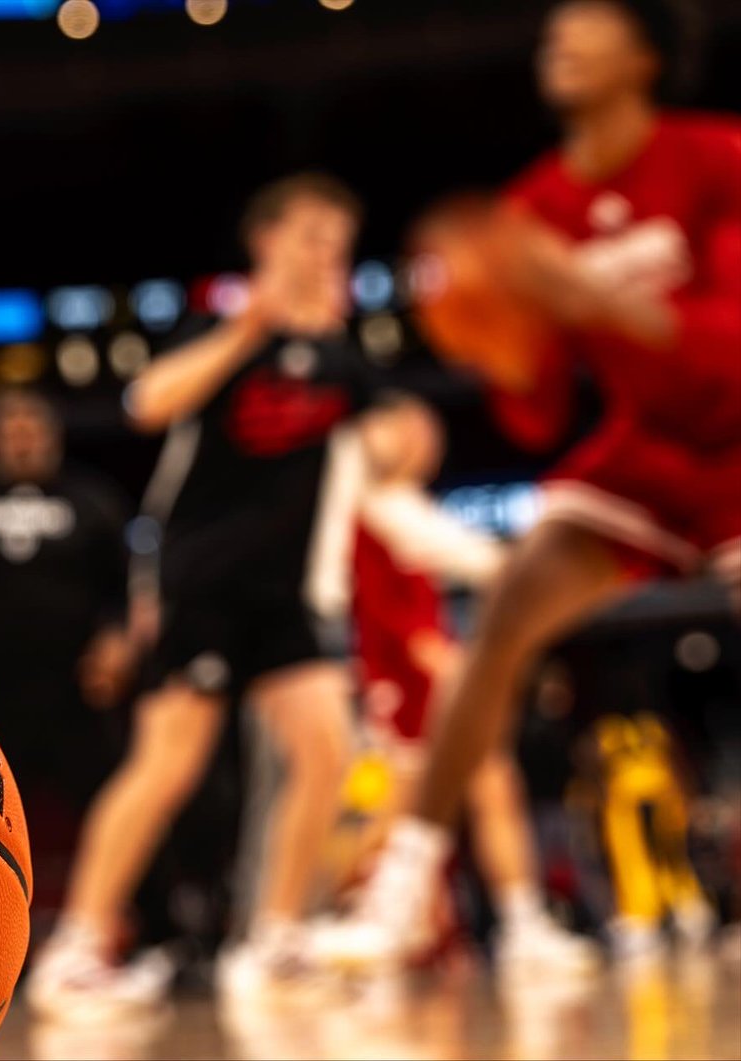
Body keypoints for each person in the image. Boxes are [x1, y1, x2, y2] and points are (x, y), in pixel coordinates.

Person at [319, 0, 741, 967]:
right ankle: (403, 885)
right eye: (551, 34)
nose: (558, 44)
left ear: (646, 57)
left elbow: (728, 351)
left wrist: (582, 295)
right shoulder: (535, 208)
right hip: (650, 454)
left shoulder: (716, 157)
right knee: (507, 610)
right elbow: (541, 418)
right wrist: (496, 341)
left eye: (584, 30)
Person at [28, 172, 375, 1015]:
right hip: (202, 583)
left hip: (287, 593)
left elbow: (385, 444)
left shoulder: (342, 355)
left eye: (337, 239)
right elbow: (148, 402)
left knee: (328, 749)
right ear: (265, 240)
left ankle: (274, 938)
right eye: (308, 233)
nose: (323, 251)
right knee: (169, 761)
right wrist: (250, 327)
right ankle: (76, 948)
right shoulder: (219, 328)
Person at [306, 399, 598, 977]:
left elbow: (481, 562)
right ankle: (342, 914)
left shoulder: (409, 509)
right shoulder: (363, 505)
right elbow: (401, 616)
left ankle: (521, 923)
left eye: (426, 431)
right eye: (405, 428)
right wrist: (462, 672)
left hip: (435, 671)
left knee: (493, 790)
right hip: (401, 682)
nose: (420, 441)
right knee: (393, 813)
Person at [0, 388, 137, 906]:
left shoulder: (95, 501)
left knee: (120, 804)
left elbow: (128, 591)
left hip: (80, 692)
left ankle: (155, 931)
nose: (22, 443)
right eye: (11, 433)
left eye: (31, 431)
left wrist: (120, 642)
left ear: (52, 436)